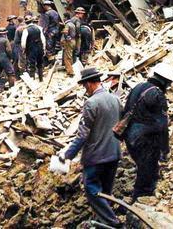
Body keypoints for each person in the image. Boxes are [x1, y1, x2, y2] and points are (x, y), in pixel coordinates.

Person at [61, 66, 122, 227]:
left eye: (84, 86)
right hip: (114, 153)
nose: (84, 90)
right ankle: (104, 223)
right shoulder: (115, 99)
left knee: (91, 188)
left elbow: (82, 135)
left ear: (88, 84)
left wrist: (68, 155)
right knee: (106, 192)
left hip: (96, 156)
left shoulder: (91, 103)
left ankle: (112, 223)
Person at [124, 63, 173, 202]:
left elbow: (126, 110)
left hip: (130, 137)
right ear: (164, 81)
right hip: (145, 140)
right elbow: (162, 126)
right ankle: (141, 202)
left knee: (143, 167)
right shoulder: (157, 94)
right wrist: (165, 148)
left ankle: (139, 197)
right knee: (148, 173)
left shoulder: (138, 87)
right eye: (168, 84)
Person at [22, 15, 47, 80]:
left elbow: (23, 43)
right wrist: (44, 48)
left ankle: (32, 80)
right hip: (39, 48)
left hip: (31, 49)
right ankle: (41, 79)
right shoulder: (39, 28)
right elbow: (43, 39)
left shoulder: (26, 30)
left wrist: (24, 50)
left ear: (25, 22)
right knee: (40, 64)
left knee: (31, 64)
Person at [61, 8, 84, 75]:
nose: (82, 15)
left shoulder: (70, 22)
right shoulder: (77, 21)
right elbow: (77, 30)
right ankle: (72, 69)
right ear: (79, 13)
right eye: (82, 14)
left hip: (70, 40)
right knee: (72, 54)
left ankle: (70, 70)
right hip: (74, 39)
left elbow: (65, 32)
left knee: (68, 55)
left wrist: (67, 38)